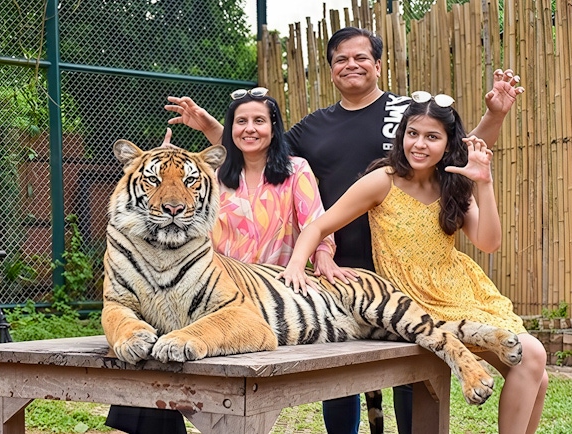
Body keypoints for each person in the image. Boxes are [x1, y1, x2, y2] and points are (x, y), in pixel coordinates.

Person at [164, 26, 523, 434]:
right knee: (340, 378)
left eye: (360, 57)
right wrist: (215, 128)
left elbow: (457, 152)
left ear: (379, 65)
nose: (351, 65)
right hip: (340, 268)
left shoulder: (405, 114)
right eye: (340, 59)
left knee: (412, 370)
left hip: (402, 267)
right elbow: (261, 147)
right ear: (331, 70)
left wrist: (494, 115)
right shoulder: (314, 126)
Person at [278, 92, 549, 434]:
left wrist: (484, 183)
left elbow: (489, 242)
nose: (419, 144)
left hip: (462, 290)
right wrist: (297, 265)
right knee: (533, 356)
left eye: (432, 137)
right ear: (401, 134)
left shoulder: (451, 183)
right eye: (412, 133)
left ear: (449, 143)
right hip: (413, 301)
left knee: (537, 374)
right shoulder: (384, 180)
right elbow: (318, 224)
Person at [106, 88, 346, 434]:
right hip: (209, 290)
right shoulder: (212, 175)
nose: (250, 128)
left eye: (259, 121)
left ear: (274, 127)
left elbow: (318, 224)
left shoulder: (296, 170)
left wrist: (321, 257)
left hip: (270, 292)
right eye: (241, 121)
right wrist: (159, 169)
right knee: (153, 351)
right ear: (230, 128)